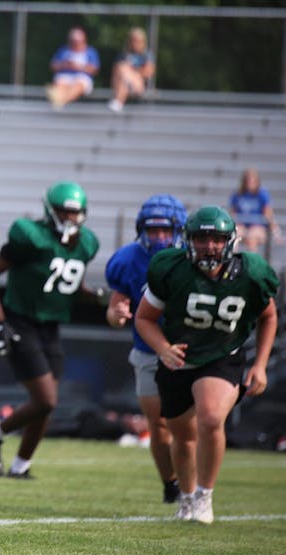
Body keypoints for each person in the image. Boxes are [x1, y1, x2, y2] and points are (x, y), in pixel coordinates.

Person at [135, 205, 278, 524]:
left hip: (221, 355)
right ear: (188, 240)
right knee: (182, 437)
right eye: (201, 239)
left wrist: (261, 364)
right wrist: (162, 348)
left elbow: (268, 316)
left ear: (230, 241)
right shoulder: (171, 269)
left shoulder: (251, 272)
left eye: (216, 239)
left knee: (211, 417)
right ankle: (187, 499)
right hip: (178, 359)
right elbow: (144, 318)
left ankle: (204, 496)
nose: (209, 246)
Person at [0, 182, 101, 479]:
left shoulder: (86, 244)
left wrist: (97, 296)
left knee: (44, 406)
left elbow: (67, 281)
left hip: (51, 326)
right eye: (64, 212)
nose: (70, 219)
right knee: (46, 400)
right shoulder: (30, 237)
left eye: (75, 213)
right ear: (51, 211)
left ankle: (21, 466)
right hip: (21, 322)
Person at [104, 194, 188, 503]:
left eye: (165, 230)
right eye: (153, 231)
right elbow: (114, 312)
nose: (159, 237)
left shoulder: (190, 260)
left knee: (191, 426)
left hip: (191, 352)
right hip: (148, 351)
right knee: (159, 423)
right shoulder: (128, 260)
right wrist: (116, 315)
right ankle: (170, 483)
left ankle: (196, 487)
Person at [228, 168, 282, 254]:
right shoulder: (238, 194)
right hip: (243, 226)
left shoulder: (262, 194)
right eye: (248, 180)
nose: (250, 183)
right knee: (235, 235)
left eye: (253, 181)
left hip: (258, 227)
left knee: (252, 237)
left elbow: (268, 214)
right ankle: (233, 260)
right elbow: (232, 213)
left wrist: (276, 232)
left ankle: (251, 263)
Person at [46, 27, 100, 110]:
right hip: (65, 76)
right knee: (59, 82)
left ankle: (59, 102)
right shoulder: (63, 50)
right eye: (73, 41)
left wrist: (78, 67)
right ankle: (59, 102)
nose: (75, 44)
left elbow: (94, 69)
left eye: (77, 42)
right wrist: (65, 65)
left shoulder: (90, 51)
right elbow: (53, 66)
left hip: (82, 77)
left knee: (78, 84)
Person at [107, 27, 156, 113]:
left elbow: (148, 73)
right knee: (122, 71)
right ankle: (119, 102)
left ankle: (118, 102)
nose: (136, 44)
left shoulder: (147, 55)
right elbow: (116, 72)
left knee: (124, 68)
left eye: (138, 41)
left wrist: (132, 71)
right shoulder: (123, 54)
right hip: (122, 85)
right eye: (133, 41)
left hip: (139, 85)